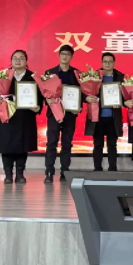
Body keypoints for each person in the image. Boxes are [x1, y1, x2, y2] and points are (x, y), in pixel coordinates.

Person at [0, 50, 44, 184]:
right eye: (15, 58)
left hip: (25, 116)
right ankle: (8, 175)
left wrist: (38, 107)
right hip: (6, 115)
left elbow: (40, 96)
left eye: (21, 58)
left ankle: (20, 174)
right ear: (11, 60)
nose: (18, 60)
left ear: (26, 61)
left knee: (22, 146)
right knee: (6, 145)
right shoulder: (2, 75)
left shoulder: (33, 77)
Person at [44, 45, 80, 183]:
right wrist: (46, 100)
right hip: (54, 113)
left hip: (70, 114)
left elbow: (82, 92)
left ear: (72, 57)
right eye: (63, 54)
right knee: (51, 143)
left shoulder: (77, 73)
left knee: (67, 143)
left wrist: (79, 106)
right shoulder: (50, 73)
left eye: (68, 54)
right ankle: (49, 172)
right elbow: (43, 91)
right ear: (59, 55)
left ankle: (65, 171)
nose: (65, 56)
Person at [85, 52, 124, 172]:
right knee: (98, 144)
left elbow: (126, 95)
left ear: (114, 63)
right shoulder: (94, 76)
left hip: (113, 117)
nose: (107, 64)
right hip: (97, 117)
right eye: (105, 61)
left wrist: (121, 101)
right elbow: (84, 92)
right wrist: (86, 98)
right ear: (101, 63)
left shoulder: (120, 77)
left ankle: (113, 168)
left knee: (112, 145)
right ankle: (97, 168)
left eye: (110, 61)